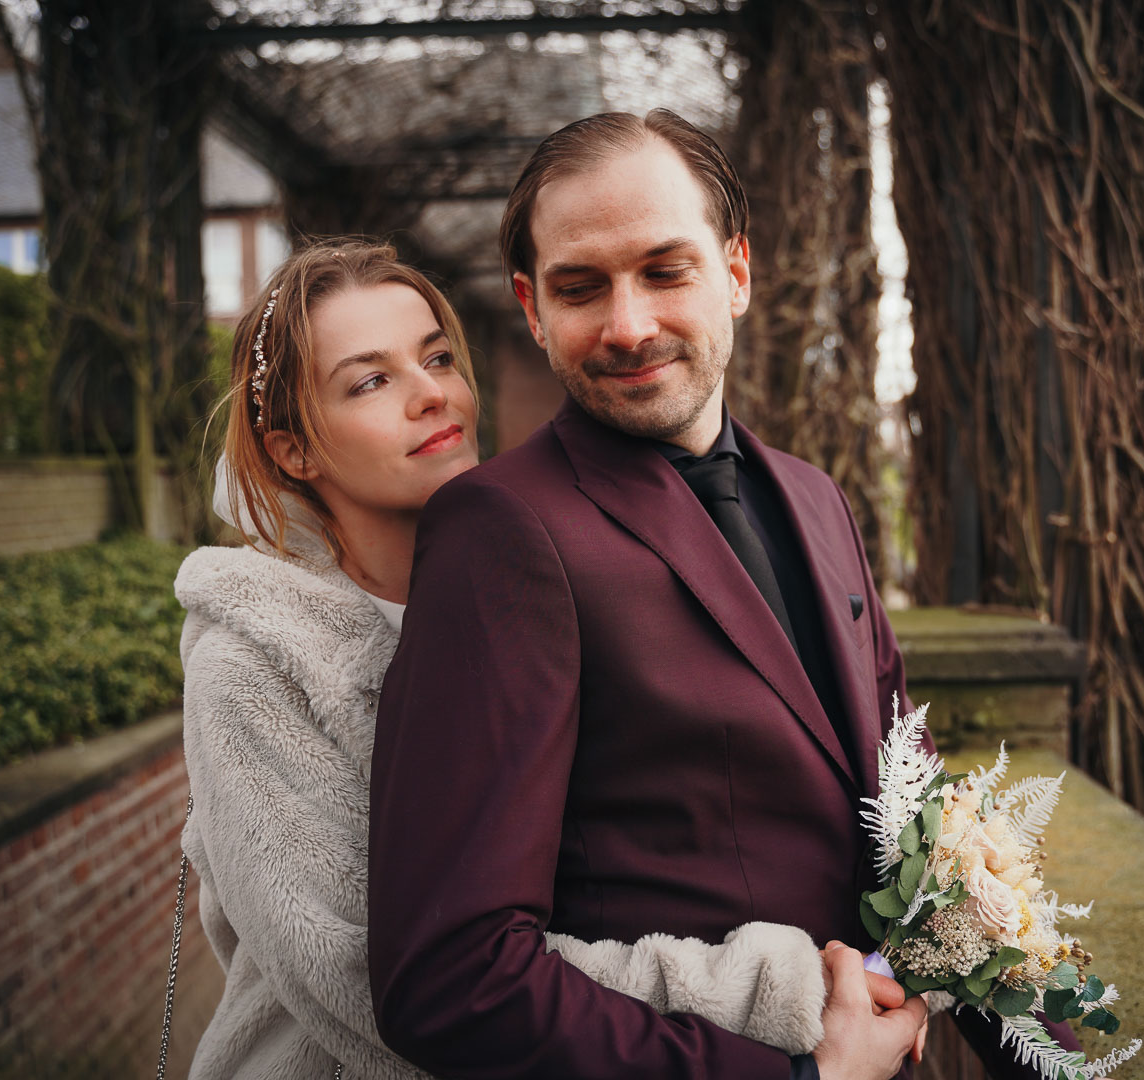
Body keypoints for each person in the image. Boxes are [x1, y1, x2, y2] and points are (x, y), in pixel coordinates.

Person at [175, 239, 868, 1080]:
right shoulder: (249, 668)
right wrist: (766, 997)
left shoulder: (522, 578)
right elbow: (360, 981)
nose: (432, 394)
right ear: (294, 451)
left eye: (437, 357)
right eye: (371, 381)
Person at [368, 110, 953, 1080]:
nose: (628, 326)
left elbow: (915, 800)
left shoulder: (816, 499)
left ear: (736, 273)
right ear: (531, 308)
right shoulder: (498, 529)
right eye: (580, 288)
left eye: (665, 270)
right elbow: (447, 977)